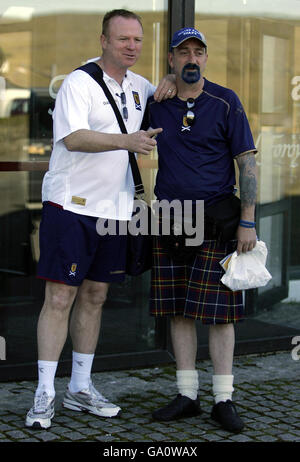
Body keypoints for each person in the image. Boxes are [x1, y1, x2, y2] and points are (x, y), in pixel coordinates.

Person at [25, 9, 175, 430]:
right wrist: (127, 141)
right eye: (123, 39)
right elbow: (72, 137)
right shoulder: (79, 82)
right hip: (70, 207)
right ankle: (44, 392)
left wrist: (169, 83)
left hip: (115, 210)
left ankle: (80, 388)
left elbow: (172, 90)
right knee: (59, 298)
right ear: (104, 40)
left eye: (138, 40)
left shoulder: (141, 86)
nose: (132, 46)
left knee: (95, 298)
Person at [147, 27, 258, 433]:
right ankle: (187, 394)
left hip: (217, 218)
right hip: (171, 217)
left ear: (206, 59)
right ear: (172, 60)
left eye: (198, 52)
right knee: (178, 309)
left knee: (219, 315)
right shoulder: (155, 103)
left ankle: (223, 400)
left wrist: (248, 219)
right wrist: (166, 85)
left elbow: (246, 162)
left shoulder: (226, 101)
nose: (191, 58)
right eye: (183, 52)